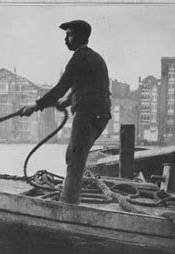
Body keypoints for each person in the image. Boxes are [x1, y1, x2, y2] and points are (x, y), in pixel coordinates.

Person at [20, 20, 111, 204]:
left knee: (75, 158)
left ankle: (68, 205)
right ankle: (70, 199)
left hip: (87, 114)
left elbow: (61, 87)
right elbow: (90, 85)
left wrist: (36, 106)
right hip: (100, 116)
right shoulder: (94, 58)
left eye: (68, 35)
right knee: (76, 155)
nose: (65, 39)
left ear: (79, 37)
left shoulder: (78, 58)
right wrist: (68, 100)